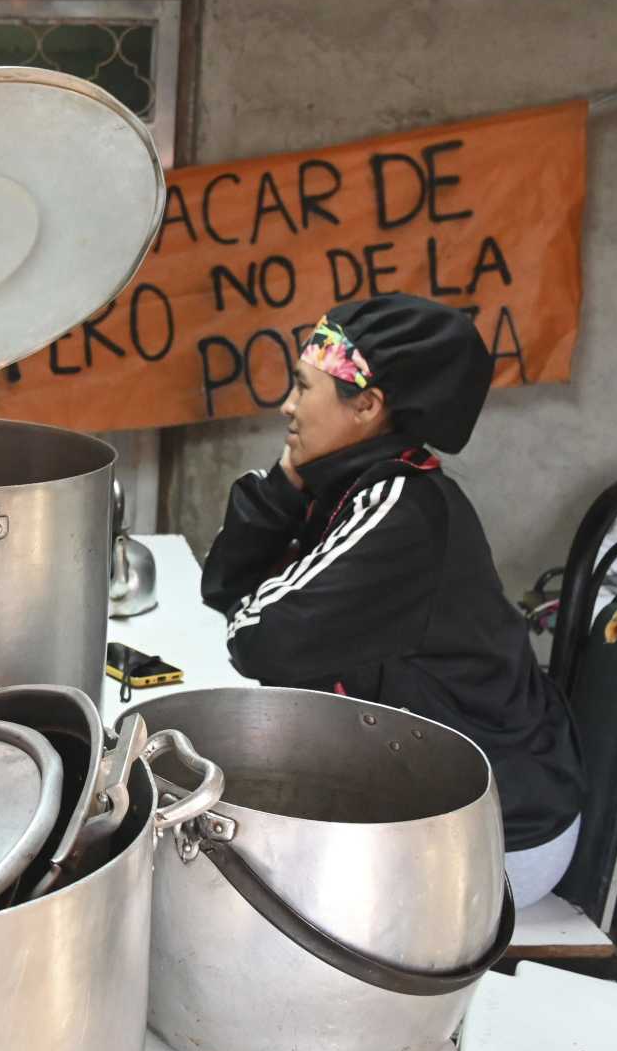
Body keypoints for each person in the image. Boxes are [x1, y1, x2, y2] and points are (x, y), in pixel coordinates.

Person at [200, 293, 585, 907]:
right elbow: (224, 586)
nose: (287, 406)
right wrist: (286, 481)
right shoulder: (354, 484)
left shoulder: (400, 509)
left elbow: (253, 637)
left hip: (496, 840)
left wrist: (260, 583)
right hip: (438, 802)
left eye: (303, 388)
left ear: (368, 406)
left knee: (228, 879)